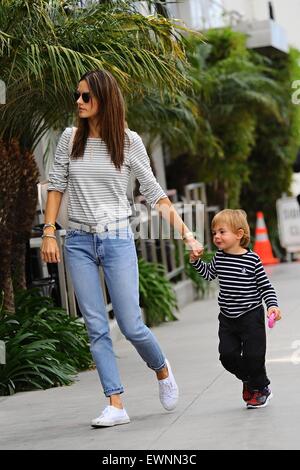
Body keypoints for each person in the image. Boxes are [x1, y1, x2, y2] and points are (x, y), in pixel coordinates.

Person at [40, 69, 203, 427]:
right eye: (77, 95)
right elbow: (56, 186)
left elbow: (155, 193)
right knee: (96, 326)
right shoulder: (69, 139)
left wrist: (187, 234)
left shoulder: (129, 143)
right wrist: (49, 231)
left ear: (105, 100)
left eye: (86, 96)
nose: (78, 102)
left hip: (116, 239)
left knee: (130, 324)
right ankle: (115, 403)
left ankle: (161, 369)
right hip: (78, 242)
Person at [190, 209, 282, 409]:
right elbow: (208, 275)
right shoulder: (219, 258)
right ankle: (252, 381)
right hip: (228, 318)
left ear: (239, 234)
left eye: (222, 232)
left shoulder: (252, 260)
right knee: (227, 356)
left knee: (254, 356)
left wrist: (272, 305)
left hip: (251, 316)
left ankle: (261, 389)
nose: (216, 236)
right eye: (214, 232)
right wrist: (196, 261)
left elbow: (266, 287)